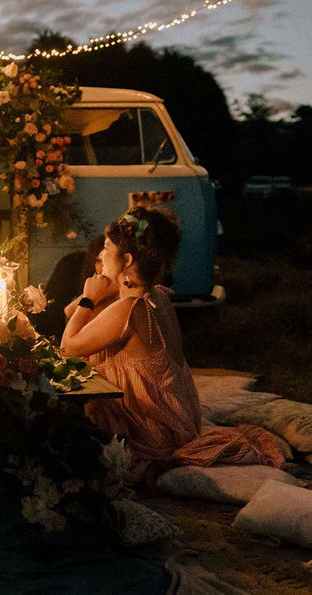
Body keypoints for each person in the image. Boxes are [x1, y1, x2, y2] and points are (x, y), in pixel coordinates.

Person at [60, 207, 200, 487]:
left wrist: (89, 298)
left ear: (126, 259)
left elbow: (69, 346)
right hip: (180, 420)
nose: (99, 255)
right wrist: (105, 287)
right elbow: (68, 311)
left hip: (153, 430)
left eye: (107, 248)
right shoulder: (155, 294)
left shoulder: (130, 308)